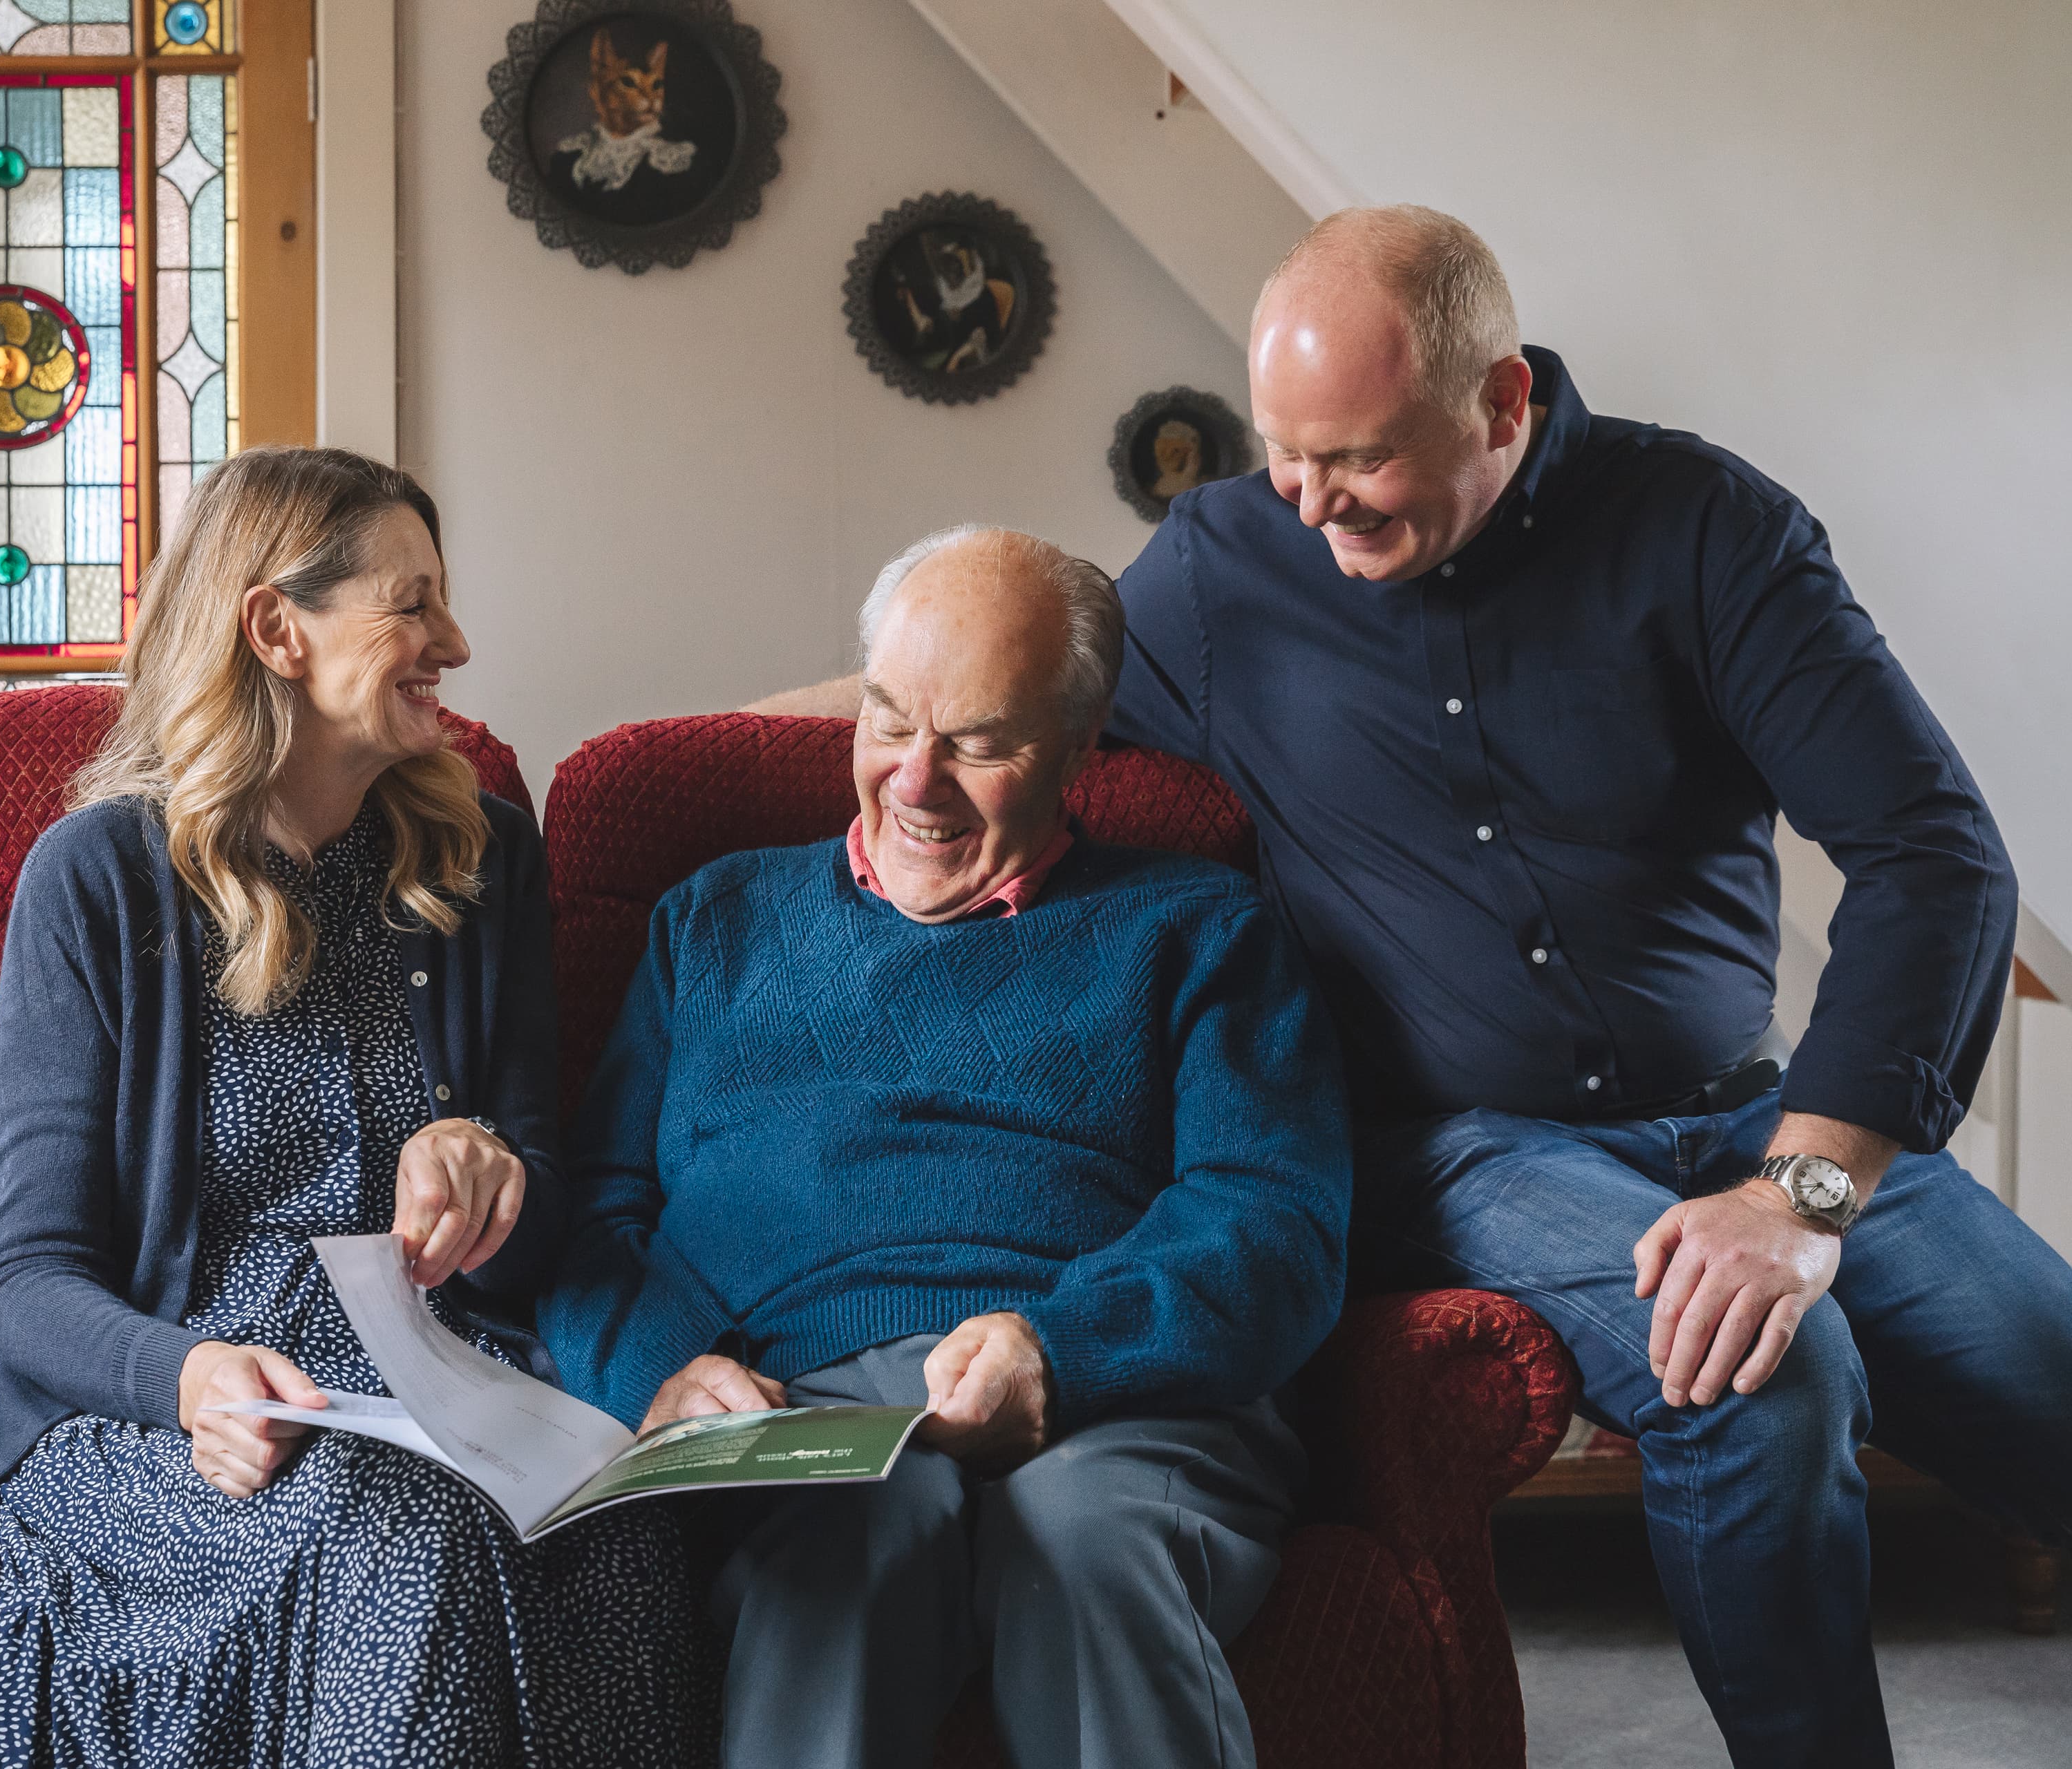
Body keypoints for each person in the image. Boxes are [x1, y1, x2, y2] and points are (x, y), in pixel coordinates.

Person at [751, 207, 2072, 1768]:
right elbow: (987, 681)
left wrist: (1802, 1193)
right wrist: (671, 749)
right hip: (1464, 1144)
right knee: (1762, 1373)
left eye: (1359, 460)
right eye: (1282, 452)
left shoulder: (1707, 529)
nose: (1308, 501)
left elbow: (1934, 852)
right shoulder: (1232, 567)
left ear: (1503, 403)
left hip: (1764, 1119)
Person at [0, 447, 710, 1768]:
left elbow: (551, 1204)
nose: (453, 640)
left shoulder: (482, 855)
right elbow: (30, 1279)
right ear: (277, 627)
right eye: (413, 604)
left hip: (443, 1380)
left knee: (622, 1534)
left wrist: (495, 1174)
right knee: (407, 1538)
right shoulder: (99, 877)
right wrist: (189, 1379)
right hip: (172, 1401)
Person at [543, 527, 1352, 1769]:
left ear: (1082, 751)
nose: (915, 780)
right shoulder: (713, 921)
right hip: (793, 1400)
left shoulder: (1201, 932)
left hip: (1121, 1397)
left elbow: (1274, 1223)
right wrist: (661, 1369)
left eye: (978, 743)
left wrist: (1065, 1348)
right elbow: (592, 1212)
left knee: (1084, 1536)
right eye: (888, 721)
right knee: (853, 1535)